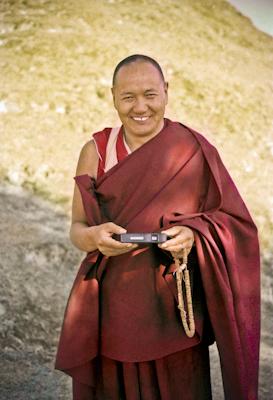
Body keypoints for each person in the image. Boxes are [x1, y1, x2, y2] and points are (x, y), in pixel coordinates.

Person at [55, 54, 260, 400]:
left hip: (175, 313)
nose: (141, 107)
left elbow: (236, 224)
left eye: (150, 95)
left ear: (166, 92)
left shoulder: (192, 149)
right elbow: (77, 228)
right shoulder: (98, 151)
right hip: (112, 309)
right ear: (113, 97)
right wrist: (93, 237)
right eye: (128, 97)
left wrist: (196, 236)